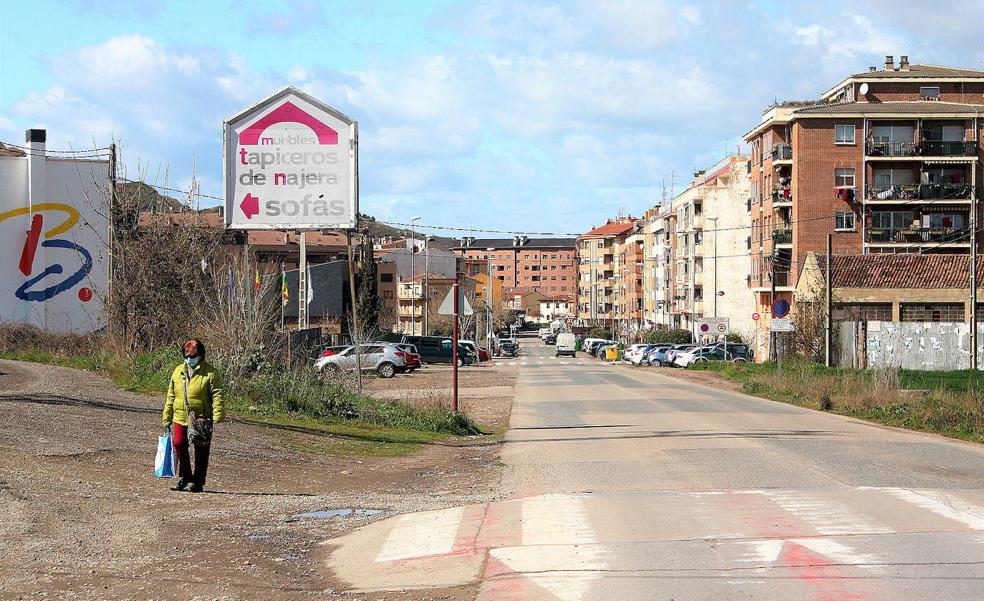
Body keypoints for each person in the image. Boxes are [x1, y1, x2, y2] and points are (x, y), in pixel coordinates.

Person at [162, 339, 224, 493]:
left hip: (200, 417)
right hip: (180, 415)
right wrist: (167, 414)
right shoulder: (178, 371)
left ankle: (198, 481)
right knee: (178, 443)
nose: (189, 358)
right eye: (186, 355)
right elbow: (171, 394)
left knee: (201, 449)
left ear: (201, 355)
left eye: (193, 355)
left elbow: (217, 394)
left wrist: (218, 413)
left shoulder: (211, 372)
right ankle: (185, 476)